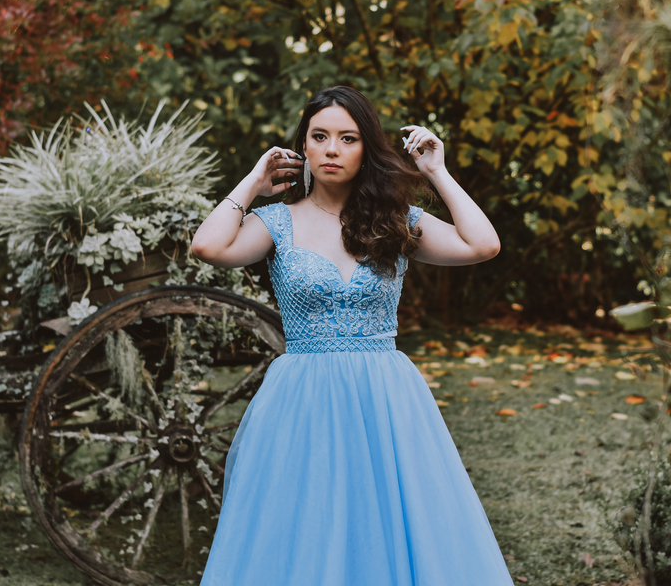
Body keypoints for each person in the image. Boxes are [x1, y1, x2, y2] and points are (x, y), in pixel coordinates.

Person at [190, 85, 513, 586]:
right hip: (301, 400)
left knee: (385, 517)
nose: (332, 149)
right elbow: (208, 247)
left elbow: (483, 245)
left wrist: (437, 172)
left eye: (348, 138)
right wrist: (253, 182)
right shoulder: (276, 222)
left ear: (366, 148)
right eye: (319, 136)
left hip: (384, 398)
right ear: (303, 145)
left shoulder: (396, 221)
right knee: (306, 520)